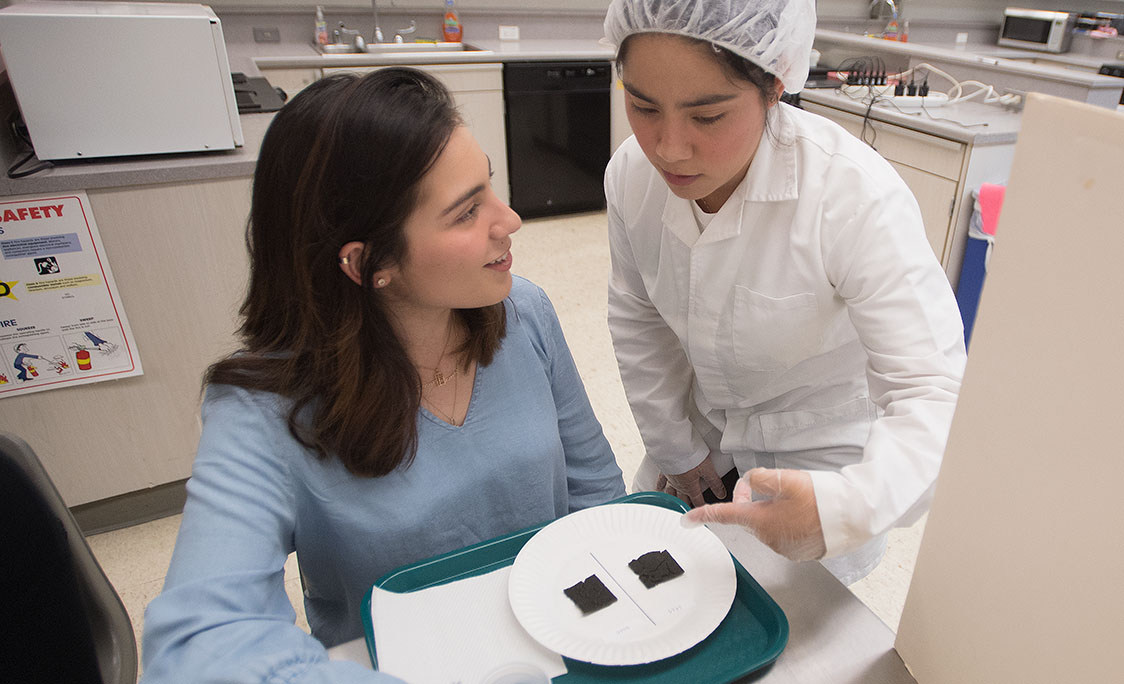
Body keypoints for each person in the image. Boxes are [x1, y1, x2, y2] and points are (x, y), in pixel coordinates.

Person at [140, 68, 625, 683]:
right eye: (465, 212)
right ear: (368, 263)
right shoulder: (263, 410)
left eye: (489, 188)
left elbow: (598, 495)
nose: (510, 221)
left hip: (558, 641)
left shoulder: (523, 313)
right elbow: (195, 653)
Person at [602, 0, 967, 583]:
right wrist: (677, 447)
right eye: (643, 106)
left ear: (775, 86)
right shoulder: (631, 177)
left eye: (708, 116)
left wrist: (846, 509)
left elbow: (932, 391)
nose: (668, 147)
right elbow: (638, 315)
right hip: (703, 434)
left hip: (819, 461)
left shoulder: (853, 198)